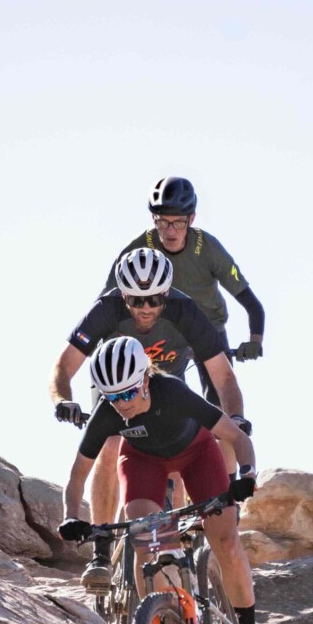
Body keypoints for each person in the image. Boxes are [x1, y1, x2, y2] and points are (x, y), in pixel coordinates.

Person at [57, 336, 266, 624]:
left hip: (197, 454)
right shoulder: (108, 413)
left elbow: (237, 437)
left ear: (144, 379)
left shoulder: (172, 391)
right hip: (143, 462)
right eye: (112, 396)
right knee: (146, 539)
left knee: (226, 541)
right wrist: (70, 516)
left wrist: (247, 475)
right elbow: (78, 475)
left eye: (127, 393)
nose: (121, 404)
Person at [52, 248, 245, 586]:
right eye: (135, 300)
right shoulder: (106, 310)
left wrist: (237, 418)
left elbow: (224, 378)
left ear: (166, 294)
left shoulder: (185, 311)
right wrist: (62, 400)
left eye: (154, 299)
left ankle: (180, 554)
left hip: (164, 385)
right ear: (122, 295)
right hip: (116, 384)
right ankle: (101, 550)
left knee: (184, 447)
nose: (145, 308)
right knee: (110, 444)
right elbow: (64, 366)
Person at [105, 177, 265, 363]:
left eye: (179, 222)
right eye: (163, 222)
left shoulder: (209, 249)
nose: (170, 231)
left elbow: (253, 305)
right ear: (153, 219)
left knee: (222, 381)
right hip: (162, 332)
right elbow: (105, 305)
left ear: (191, 219)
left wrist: (255, 341)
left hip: (209, 326)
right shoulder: (136, 251)